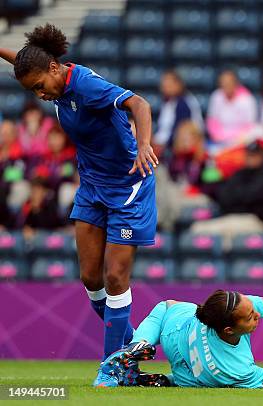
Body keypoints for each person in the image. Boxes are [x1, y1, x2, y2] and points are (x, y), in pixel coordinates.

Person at [0, 24, 159, 386]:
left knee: (116, 277)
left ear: (55, 69)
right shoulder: (50, 76)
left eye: (40, 86)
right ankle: (130, 349)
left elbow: (139, 103)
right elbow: (23, 60)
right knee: (91, 278)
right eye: (32, 89)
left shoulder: (85, 85)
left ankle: (112, 365)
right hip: (92, 187)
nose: (40, 95)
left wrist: (144, 144)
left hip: (128, 185)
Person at [94, 290, 263, 388]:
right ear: (229, 330)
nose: (257, 316)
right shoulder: (231, 367)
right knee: (194, 380)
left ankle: (136, 357)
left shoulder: (232, 309)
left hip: (170, 314)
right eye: (251, 317)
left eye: (254, 311)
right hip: (168, 328)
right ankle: (126, 359)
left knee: (150, 352)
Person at [206, 70, 258, 153]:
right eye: (223, 82)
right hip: (219, 141)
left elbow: (250, 125)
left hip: (241, 141)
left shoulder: (247, 99)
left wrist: (233, 140)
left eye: (229, 82)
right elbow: (211, 121)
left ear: (236, 83)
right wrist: (219, 137)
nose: (226, 85)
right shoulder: (216, 96)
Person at [153, 70, 204, 155]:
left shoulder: (183, 103)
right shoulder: (168, 102)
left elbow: (181, 130)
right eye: (164, 85)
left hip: (179, 145)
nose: (165, 88)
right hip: (165, 143)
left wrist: (162, 145)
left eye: (169, 85)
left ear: (179, 85)